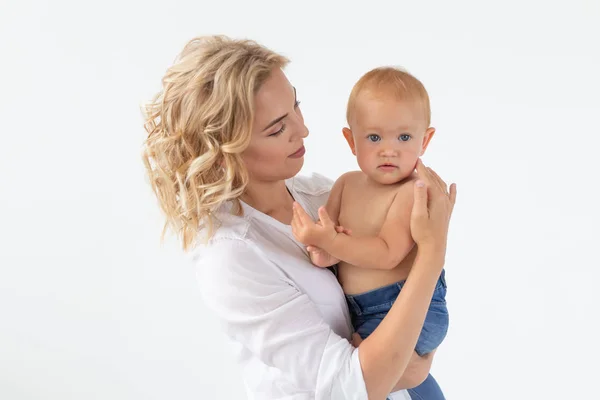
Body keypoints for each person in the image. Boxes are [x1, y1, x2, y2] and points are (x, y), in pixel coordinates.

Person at [142, 35, 457, 400]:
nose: (303, 130)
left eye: (296, 106)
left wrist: (417, 360)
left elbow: (408, 297)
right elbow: (354, 385)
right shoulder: (231, 257)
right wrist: (434, 252)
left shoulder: (320, 194)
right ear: (226, 151)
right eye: (277, 128)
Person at [290, 67, 448, 399]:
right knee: (388, 382)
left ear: (425, 140)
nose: (388, 150)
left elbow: (387, 251)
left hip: (407, 305)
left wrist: (329, 241)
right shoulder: (345, 184)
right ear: (351, 140)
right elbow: (333, 248)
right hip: (363, 311)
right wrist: (322, 252)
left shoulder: (411, 191)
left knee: (368, 376)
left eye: (404, 137)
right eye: (374, 137)